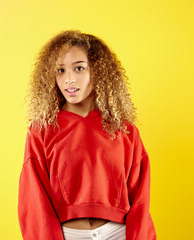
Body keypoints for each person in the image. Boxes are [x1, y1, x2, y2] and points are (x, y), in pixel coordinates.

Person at [18, 30, 157, 240]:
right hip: (68, 235)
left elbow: (140, 199)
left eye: (79, 68)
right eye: (60, 71)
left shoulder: (124, 130)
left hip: (118, 234)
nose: (69, 80)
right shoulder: (42, 131)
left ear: (98, 71)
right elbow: (34, 200)